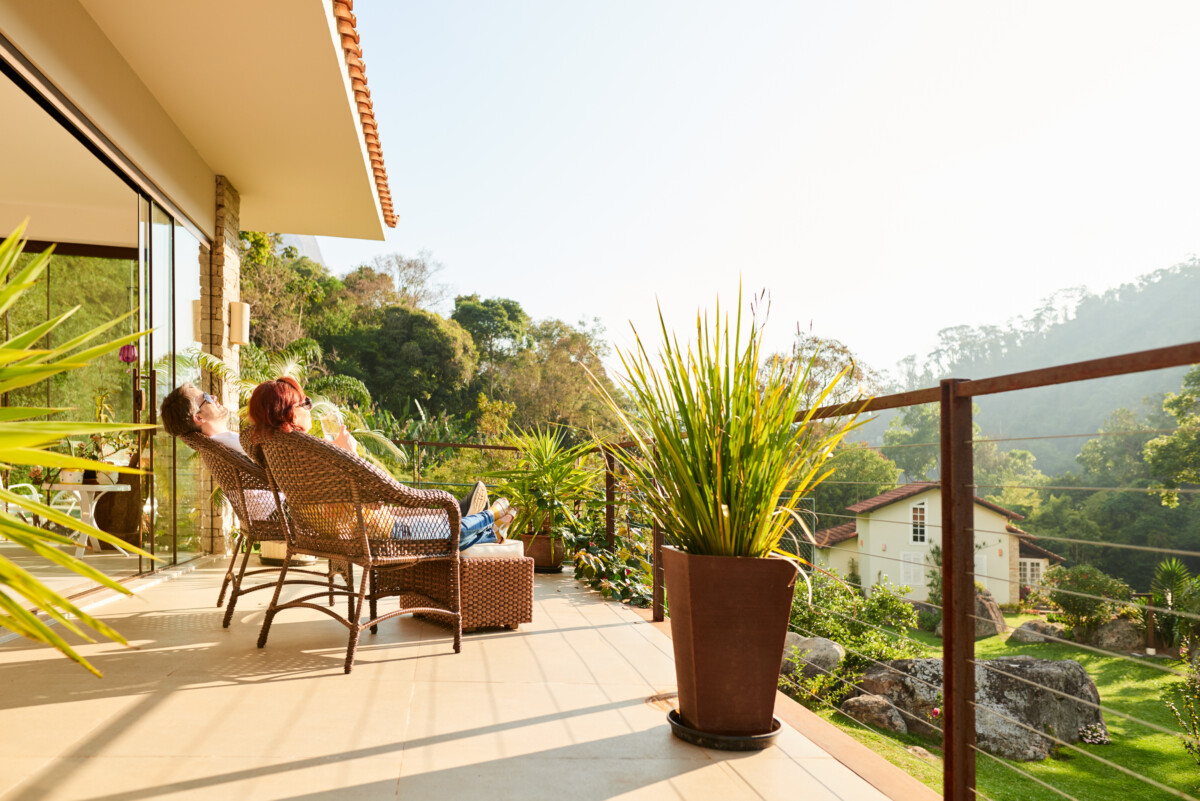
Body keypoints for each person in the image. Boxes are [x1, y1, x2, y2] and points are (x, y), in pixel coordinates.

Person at [247, 377, 514, 549]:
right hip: (376, 535)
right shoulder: (313, 453)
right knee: (451, 529)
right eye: (306, 402)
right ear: (291, 411)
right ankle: (492, 517)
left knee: (448, 529)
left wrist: (338, 455)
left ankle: (490, 529)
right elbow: (373, 497)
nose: (310, 406)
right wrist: (349, 455)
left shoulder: (273, 449)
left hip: (343, 533)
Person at [160, 382, 242, 452]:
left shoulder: (217, 447)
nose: (214, 397)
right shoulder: (236, 444)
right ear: (199, 418)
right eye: (207, 397)